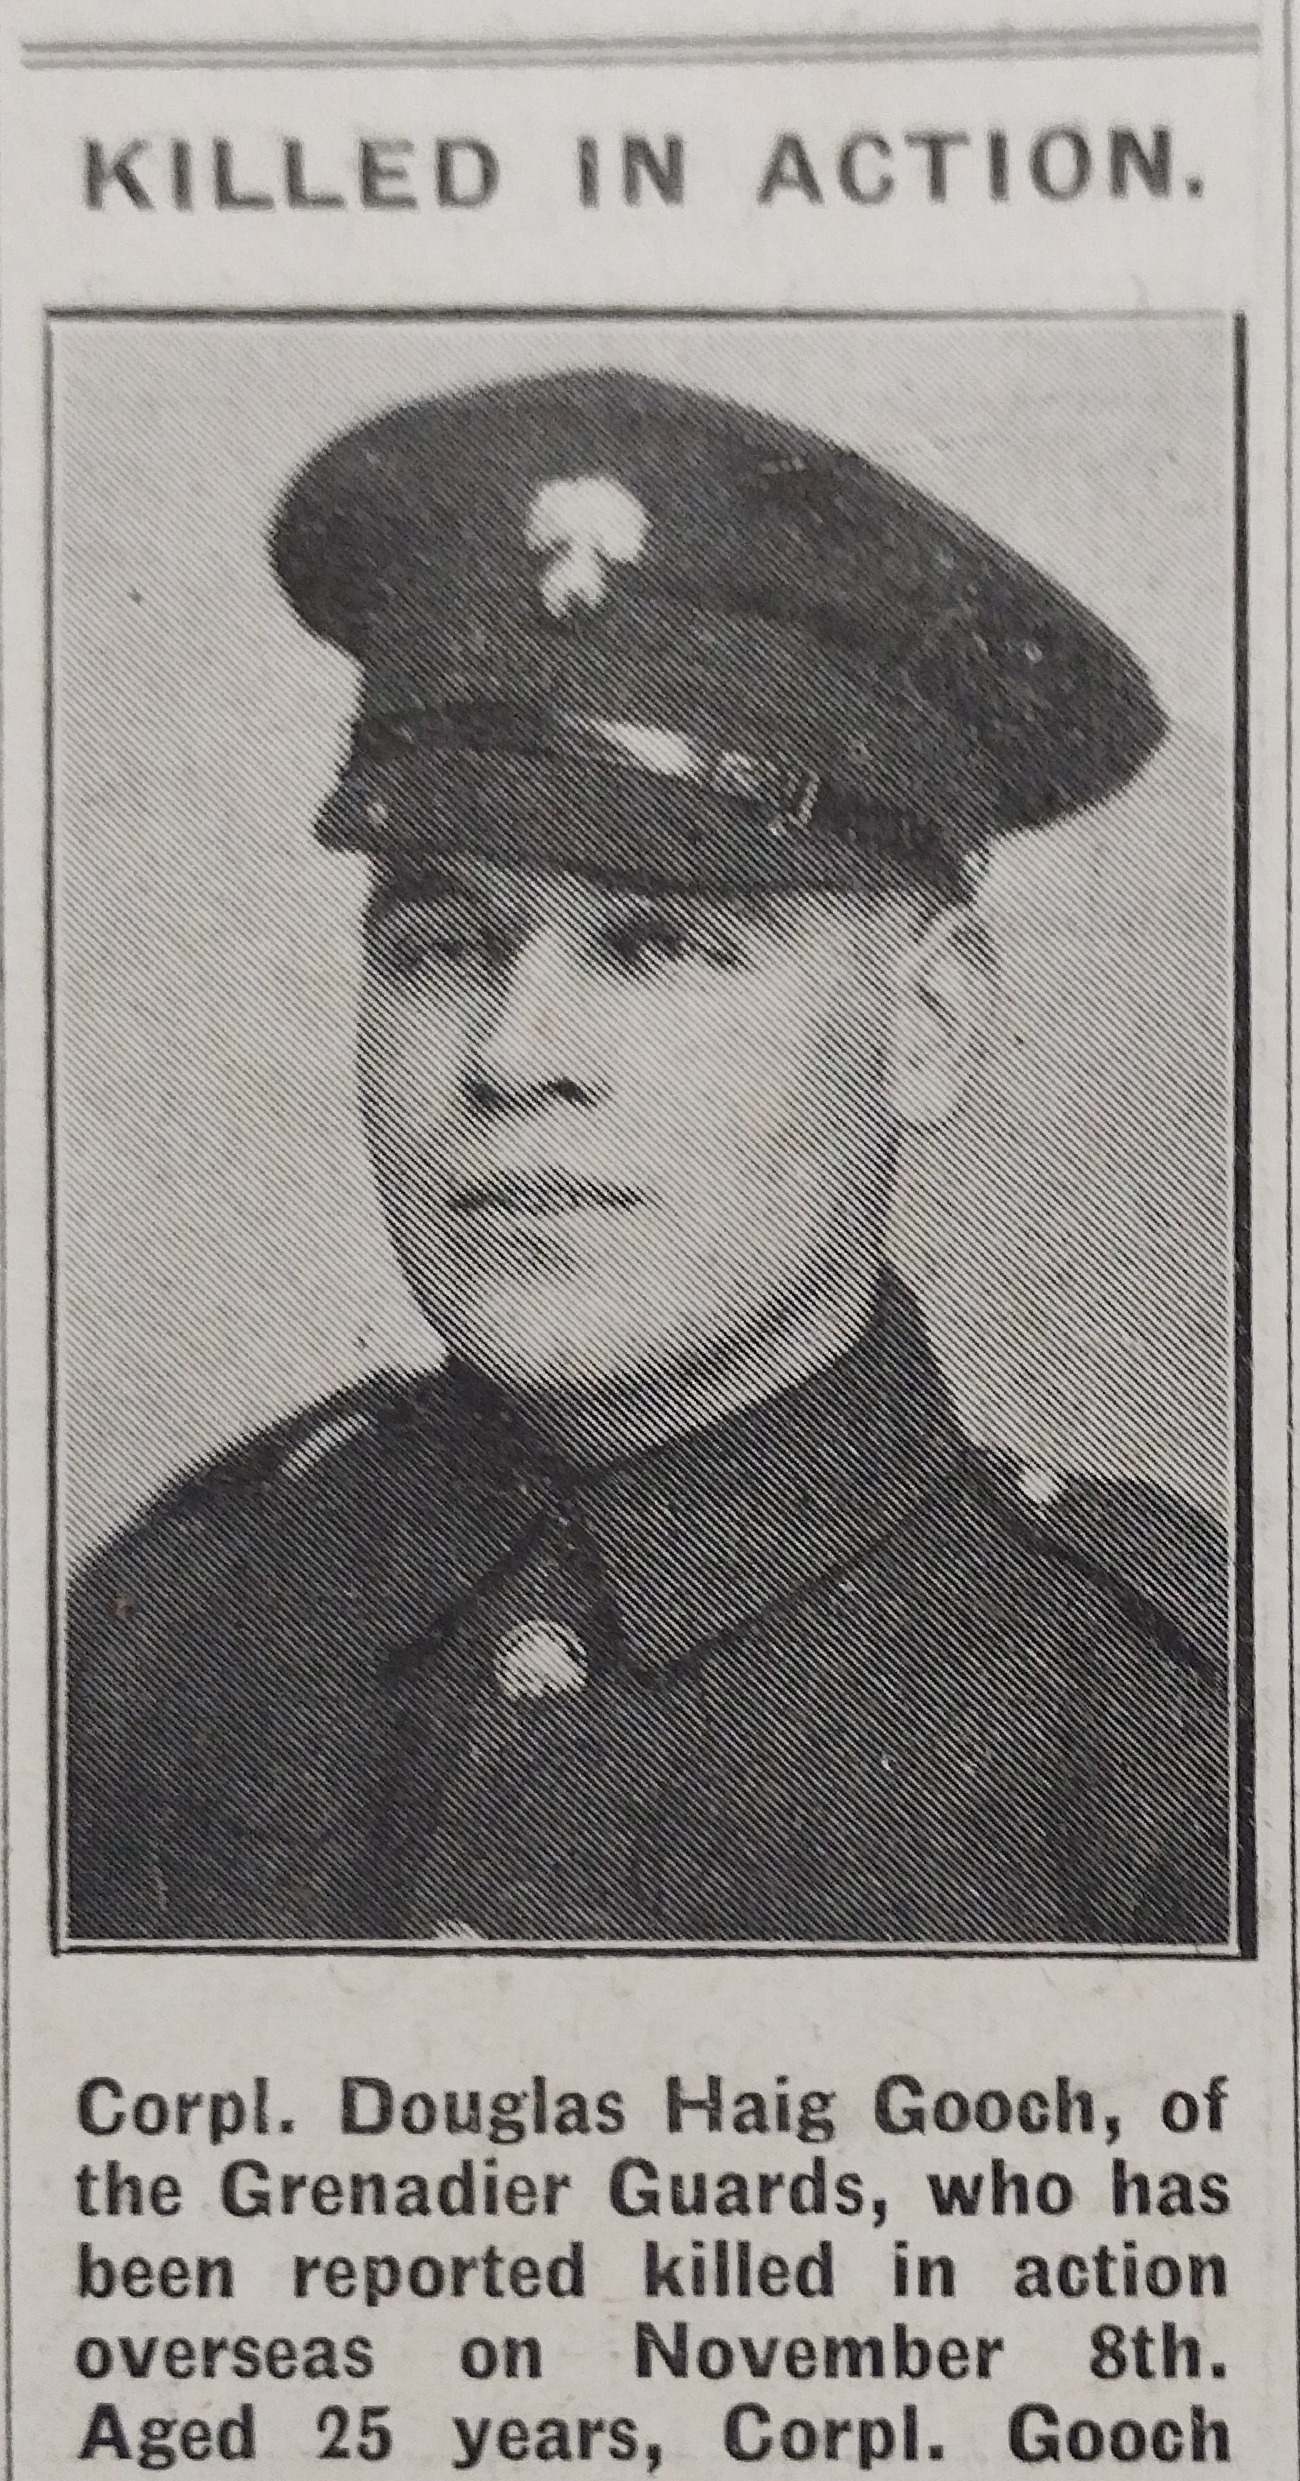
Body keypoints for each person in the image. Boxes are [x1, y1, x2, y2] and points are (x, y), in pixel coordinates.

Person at [66, 367, 1232, 1947]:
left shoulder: (1169, 1738)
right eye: (442, 942)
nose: (512, 1051)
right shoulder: (161, 1635)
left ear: (930, 1023)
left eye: (657, 943)